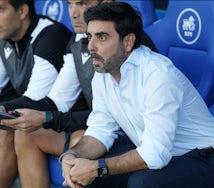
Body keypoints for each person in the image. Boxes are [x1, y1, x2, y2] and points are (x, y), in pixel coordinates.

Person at [59, 2, 214, 188]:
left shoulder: (158, 74)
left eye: (102, 37)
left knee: (142, 182)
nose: (91, 46)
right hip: (164, 154)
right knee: (84, 172)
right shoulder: (103, 73)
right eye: (89, 37)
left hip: (208, 157)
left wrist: (97, 167)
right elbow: (100, 130)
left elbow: (154, 155)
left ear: (128, 42)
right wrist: (72, 156)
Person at [0, 0, 157, 187]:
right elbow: (57, 101)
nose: (74, 13)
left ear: (105, 2)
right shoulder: (77, 40)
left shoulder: (123, 43)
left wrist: (47, 118)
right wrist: (9, 109)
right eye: (70, 4)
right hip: (101, 125)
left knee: (80, 140)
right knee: (27, 134)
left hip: (133, 134)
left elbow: (117, 115)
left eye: (83, 4)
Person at [0, 0, 72, 187]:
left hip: (67, 119)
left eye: (1, 10)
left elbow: (35, 100)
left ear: (22, 11)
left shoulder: (49, 35)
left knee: (9, 131)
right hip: (42, 115)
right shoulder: (5, 37)